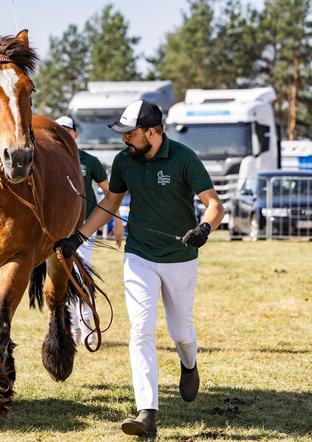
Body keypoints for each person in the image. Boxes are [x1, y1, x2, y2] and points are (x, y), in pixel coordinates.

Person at [54, 100, 224, 438]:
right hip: (139, 256)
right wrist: (78, 237)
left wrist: (203, 230)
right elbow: (109, 204)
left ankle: (189, 364)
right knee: (141, 331)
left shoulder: (184, 158)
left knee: (181, 333)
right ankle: (147, 413)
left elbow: (214, 205)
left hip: (180, 259)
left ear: (153, 132)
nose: (124, 140)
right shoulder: (123, 162)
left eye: (129, 133)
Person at [54, 116, 123, 347]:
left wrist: (119, 222)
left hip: (85, 227)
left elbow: (110, 193)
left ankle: (87, 326)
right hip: (58, 229)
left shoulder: (89, 161)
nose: (63, 133)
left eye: (67, 130)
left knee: (82, 275)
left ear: (75, 134)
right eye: (59, 129)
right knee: (63, 279)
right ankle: (71, 327)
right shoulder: (48, 160)